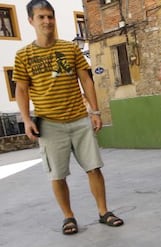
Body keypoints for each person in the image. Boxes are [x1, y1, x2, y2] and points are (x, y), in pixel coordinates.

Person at [13, 0, 123, 235]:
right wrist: (27, 119)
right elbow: (21, 90)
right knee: (58, 174)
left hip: (79, 119)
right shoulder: (23, 55)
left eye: (50, 16)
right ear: (31, 21)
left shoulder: (70, 49)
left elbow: (86, 80)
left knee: (94, 167)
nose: (47, 21)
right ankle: (68, 217)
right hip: (49, 124)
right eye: (41, 17)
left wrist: (94, 111)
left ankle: (104, 212)